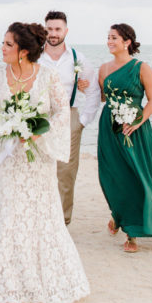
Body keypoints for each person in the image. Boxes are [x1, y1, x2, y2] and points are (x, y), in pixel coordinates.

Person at [0, 22, 90, 303]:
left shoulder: (48, 76)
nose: (2, 48)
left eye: (8, 45)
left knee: (40, 214)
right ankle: (7, 287)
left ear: (23, 51)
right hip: (7, 158)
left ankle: (42, 276)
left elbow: (62, 111)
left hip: (38, 156)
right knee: (7, 213)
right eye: (3, 43)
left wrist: (39, 132)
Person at [96, 23, 152, 252]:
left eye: (114, 37)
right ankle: (118, 215)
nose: (110, 41)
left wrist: (136, 122)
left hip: (136, 129)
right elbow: (105, 98)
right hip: (110, 128)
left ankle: (132, 233)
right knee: (114, 176)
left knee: (137, 177)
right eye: (108, 37)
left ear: (127, 42)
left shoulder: (141, 68)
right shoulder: (103, 69)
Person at [38, 11, 99, 225]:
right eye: (49, 29)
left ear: (66, 31)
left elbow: (93, 92)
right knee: (38, 168)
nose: (53, 33)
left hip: (69, 116)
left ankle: (61, 221)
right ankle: (40, 217)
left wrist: (82, 121)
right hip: (38, 117)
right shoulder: (35, 56)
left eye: (57, 29)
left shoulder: (78, 59)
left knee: (66, 172)